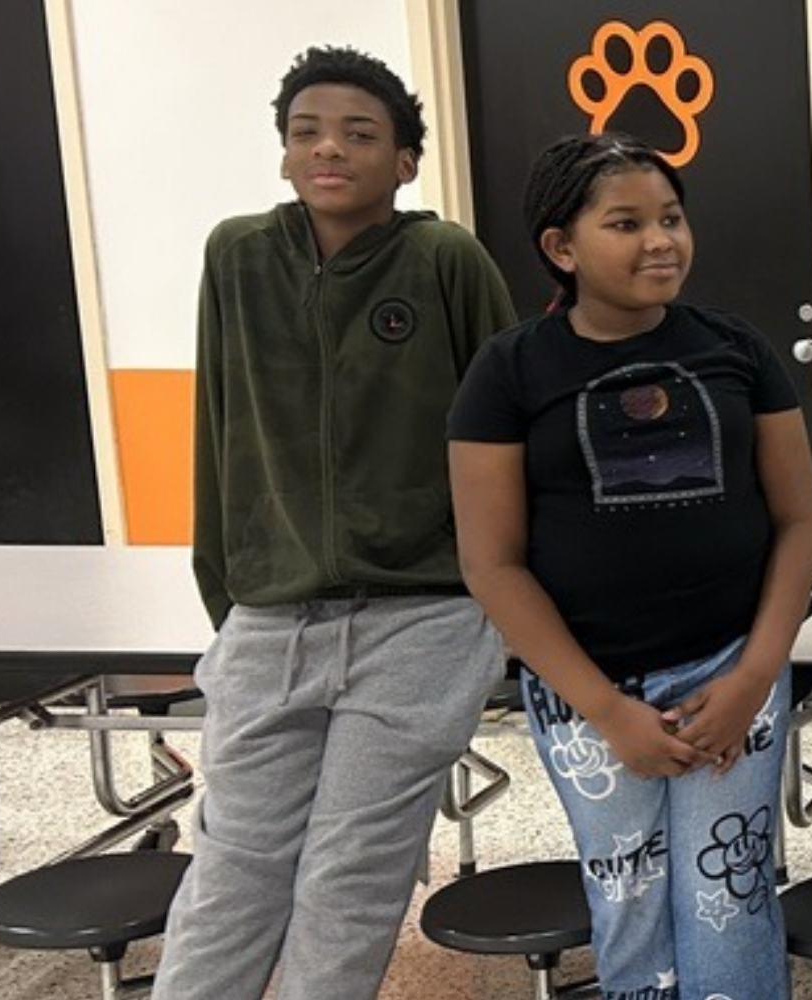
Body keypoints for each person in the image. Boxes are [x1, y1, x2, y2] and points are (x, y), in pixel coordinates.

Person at [156, 46, 517, 999]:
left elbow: (505, 432)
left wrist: (499, 603)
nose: (329, 150)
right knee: (230, 870)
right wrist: (228, 597)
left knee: (350, 882)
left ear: (405, 160)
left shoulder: (445, 259)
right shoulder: (235, 255)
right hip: (270, 618)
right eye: (307, 132)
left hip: (422, 618)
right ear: (282, 153)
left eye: (361, 134)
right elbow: (217, 425)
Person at [447, 132, 812, 999]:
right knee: (632, 904)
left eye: (672, 219)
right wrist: (608, 711)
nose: (662, 240)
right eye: (627, 223)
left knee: (731, 898)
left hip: (732, 669)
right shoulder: (508, 372)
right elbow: (491, 564)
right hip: (588, 694)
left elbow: (801, 523)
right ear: (561, 247)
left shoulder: (737, 348)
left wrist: (753, 677)